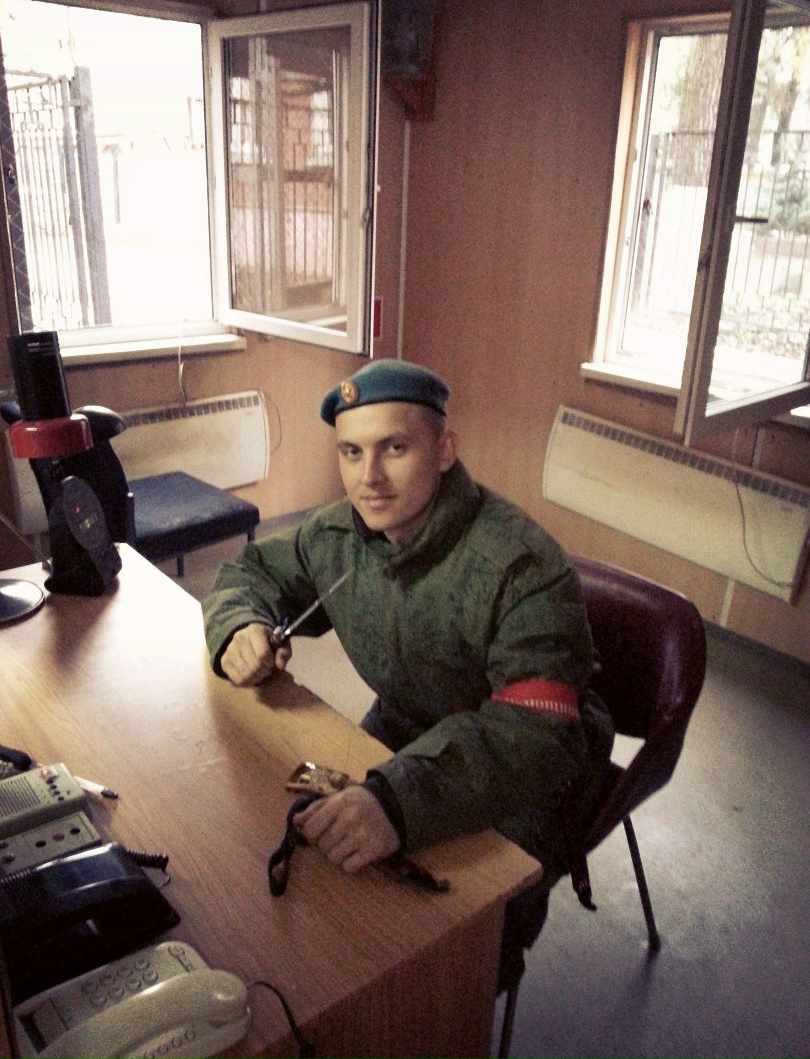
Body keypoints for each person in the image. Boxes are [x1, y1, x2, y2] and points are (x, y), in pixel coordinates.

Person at [203, 358, 614, 985]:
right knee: (311, 855)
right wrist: (240, 626)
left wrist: (397, 802)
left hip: (530, 762)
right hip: (409, 719)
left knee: (456, 941)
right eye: (351, 452)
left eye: (394, 448)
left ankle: (468, 998)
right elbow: (250, 572)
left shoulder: (522, 567)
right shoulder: (337, 536)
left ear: (444, 450)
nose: (368, 478)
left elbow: (536, 735)